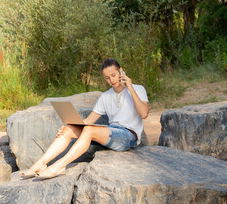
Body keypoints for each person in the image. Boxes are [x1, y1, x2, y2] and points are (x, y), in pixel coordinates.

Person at [21, 58, 149, 179]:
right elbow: (88, 121)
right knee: (68, 129)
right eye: (107, 78)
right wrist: (70, 125)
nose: (112, 80)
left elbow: (144, 114)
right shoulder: (105, 96)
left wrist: (130, 88)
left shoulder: (138, 89)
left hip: (128, 136)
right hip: (110, 133)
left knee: (89, 130)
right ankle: (41, 163)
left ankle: (59, 166)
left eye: (114, 75)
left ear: (121, 71)